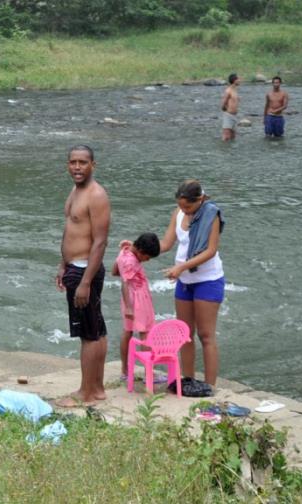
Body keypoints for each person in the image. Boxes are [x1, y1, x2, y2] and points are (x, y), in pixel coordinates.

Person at [54, 145, 110, 407]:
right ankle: (97, 389)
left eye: (83, 163)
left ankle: (85, 393)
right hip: (74, 267)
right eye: (73, 162)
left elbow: (100, 241)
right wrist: (62, 264)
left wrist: (85, 281)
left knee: (89, 335)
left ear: (93, 165)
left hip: (85, 270)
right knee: (96, 329)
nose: (77, 167)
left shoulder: (96, 195)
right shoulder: (75, 191)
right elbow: (71, 230)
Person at [158, 180, 225, 386]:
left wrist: (181, 267)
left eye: (188, 207)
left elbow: (210, 251)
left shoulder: (210, 215)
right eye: (180, 205)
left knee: (206, 335)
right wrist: (139, 247)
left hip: (208, 280)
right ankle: (188, 380)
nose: (184, 210)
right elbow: (166, 244)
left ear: (200, 200)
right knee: (185, 334)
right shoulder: (178, 213)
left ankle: (210, 386)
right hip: (185, 281)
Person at [111, 233, 160, 382]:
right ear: (140, 251)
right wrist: (129, 308)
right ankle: (149, 372)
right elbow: (124, 284)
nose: (147, 260)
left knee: (128, 332)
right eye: (147, 257)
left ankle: (125, 371)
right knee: (146, 333)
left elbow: (114, 272)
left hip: (130, 300)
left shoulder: (125, 251)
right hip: (137, 299)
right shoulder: (131, 261)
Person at [221, 73, 241, 142]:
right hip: (228, 115)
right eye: (238, 79)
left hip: (234, 116)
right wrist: (227, 112)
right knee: (226, 136)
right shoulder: (228, 90)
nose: (240, 80)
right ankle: (224, 151)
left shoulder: (235, 90)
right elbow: (223, 104)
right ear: (234, 80)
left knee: (233, 136)